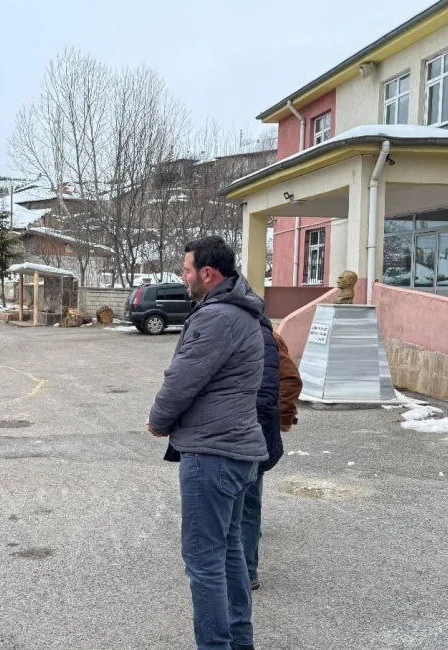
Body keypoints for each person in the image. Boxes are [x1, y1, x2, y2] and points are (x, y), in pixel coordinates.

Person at [148, 236, 268, 650]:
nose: (182, 278)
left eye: (185, 270)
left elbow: (181, 380)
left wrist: (158, 420)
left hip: (214, 453)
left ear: (207, 273)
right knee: (229, 551)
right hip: (238, 451)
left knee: (204, 561)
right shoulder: (242, 312)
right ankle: (239, 641)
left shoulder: (216, 317)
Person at [239, 314, 293, 592]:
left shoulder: (265, 339)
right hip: (253, 433)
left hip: (253, 433)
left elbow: (290, 380)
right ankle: (245, 570)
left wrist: (282, 417)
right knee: (248, 505)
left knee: (246, 505)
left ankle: (246, 570)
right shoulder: (255, 334)